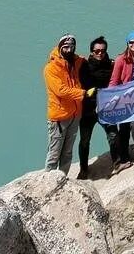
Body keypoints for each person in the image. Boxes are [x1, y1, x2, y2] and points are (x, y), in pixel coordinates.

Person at [43, 34, 95, 173]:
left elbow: (88, 59)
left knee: (67, 153)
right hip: (59, 117)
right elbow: (60, 91)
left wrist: (109, 62)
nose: (68, 50)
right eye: (65, 47)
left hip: (75, 114)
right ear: (60, 47)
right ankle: (47, 184)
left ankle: (63, 180)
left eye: (71, 47)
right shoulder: (51, 68)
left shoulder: (76, 62)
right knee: (54, 154)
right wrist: (82, 93)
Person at [109, 32, 134, 170]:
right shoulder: (121, 59)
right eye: (131, 42)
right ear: (127, 44)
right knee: (125, 126)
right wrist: (109, 97)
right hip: (124, 96)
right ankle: (124, 154)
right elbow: (114, 80)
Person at [77, 36, 117, 179]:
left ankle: (117, 163)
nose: (100, 53)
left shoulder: (112, 64)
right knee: (85, 141)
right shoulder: (83, 65)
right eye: (97, 51)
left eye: (103, 51)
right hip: (88, 110)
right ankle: (83, 169)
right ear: (92, 52)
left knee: (113, 136)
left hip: (106, 108)